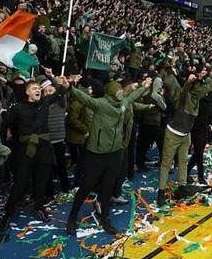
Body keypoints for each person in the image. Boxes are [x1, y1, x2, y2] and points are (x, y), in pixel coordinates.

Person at [62, 75, 150, 235]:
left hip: (114, 153)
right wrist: (69, 87)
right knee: (86, 187)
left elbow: (132, 97)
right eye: (118, 94)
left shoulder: (122, 103)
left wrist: (144, 87)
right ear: (110, 94)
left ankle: (105, 219)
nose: (120, 97)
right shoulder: (100, 104)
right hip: (96, 154)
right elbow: (82, 97)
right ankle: (72, 218)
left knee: (107, 188)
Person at [157, 69, 212, 203]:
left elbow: (209, 86)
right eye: (197, 87)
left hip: (185, 134)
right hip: (173, 133)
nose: (200, 89)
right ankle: (161, 192)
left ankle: (182, 187)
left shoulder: (197, 96)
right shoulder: (184, 97)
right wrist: (188, 82)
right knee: (166, 163)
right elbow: (184, 91)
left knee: (184, 161)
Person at [0, 78, 59, 228]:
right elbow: (5, 124)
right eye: (34, 88)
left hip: (44, 148)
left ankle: (39, 207)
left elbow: (60, 93)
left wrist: (53, 79)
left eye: (39, 88)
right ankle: (8, 213)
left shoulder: (45, 103)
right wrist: (4, 142)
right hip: (25, 150)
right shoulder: (18, 108)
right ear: (27, 92)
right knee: (20, 182)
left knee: (41, 181)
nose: (37, 90)